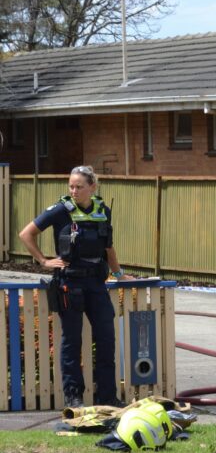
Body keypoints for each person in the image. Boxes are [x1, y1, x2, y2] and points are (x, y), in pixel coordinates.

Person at [18, 165, 132, 408]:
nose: (74, 190)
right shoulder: (60, 210)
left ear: (93, 187)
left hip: (96, 284)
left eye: (79, 187)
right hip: (69, 283)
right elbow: (26, 234)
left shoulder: (103, 211)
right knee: (71, 342)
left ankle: (108, 398)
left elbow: (108, 247)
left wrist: (119, 274)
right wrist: (43, 261)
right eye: (71, 186)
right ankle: (74, 398)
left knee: (106, 339)